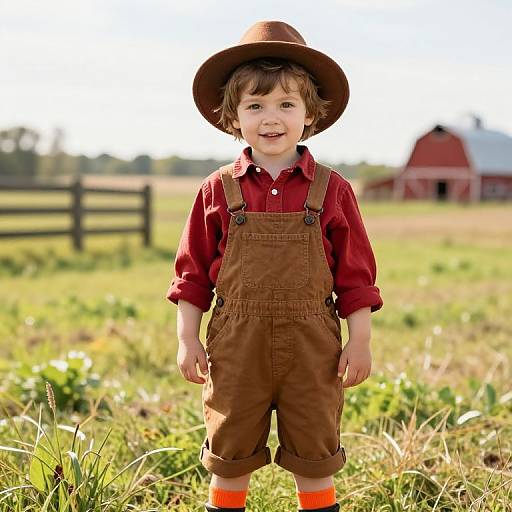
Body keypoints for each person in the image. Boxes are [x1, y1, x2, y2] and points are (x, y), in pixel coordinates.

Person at [166, 20, 383, 512]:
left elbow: (355, 276)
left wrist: (361, 339)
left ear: (310, 116)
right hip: (235, 339)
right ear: (233, 115)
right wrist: (186, 337)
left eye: (287, 104)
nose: (271, 117)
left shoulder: (332, 189)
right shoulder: (216, 190)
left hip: (313, 342)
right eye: (255, 105)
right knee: (230, 441)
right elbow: (192, 275)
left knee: (315, 442)